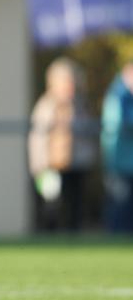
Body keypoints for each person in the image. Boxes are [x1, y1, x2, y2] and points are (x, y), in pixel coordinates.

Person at [28, 57, 96, 231]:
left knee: (75, 209)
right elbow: (37, 140)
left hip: (76, 166)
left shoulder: (80, 105)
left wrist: (88, 159)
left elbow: (88, 135)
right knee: (52, 210)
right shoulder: (46, 106)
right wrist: (40, 167)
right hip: (52, 167)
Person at [100, 60, 133, 232]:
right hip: (119, 164)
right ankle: (114, 238)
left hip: (129, 164)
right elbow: (120, 124)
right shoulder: (117, 96)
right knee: (120, 207)